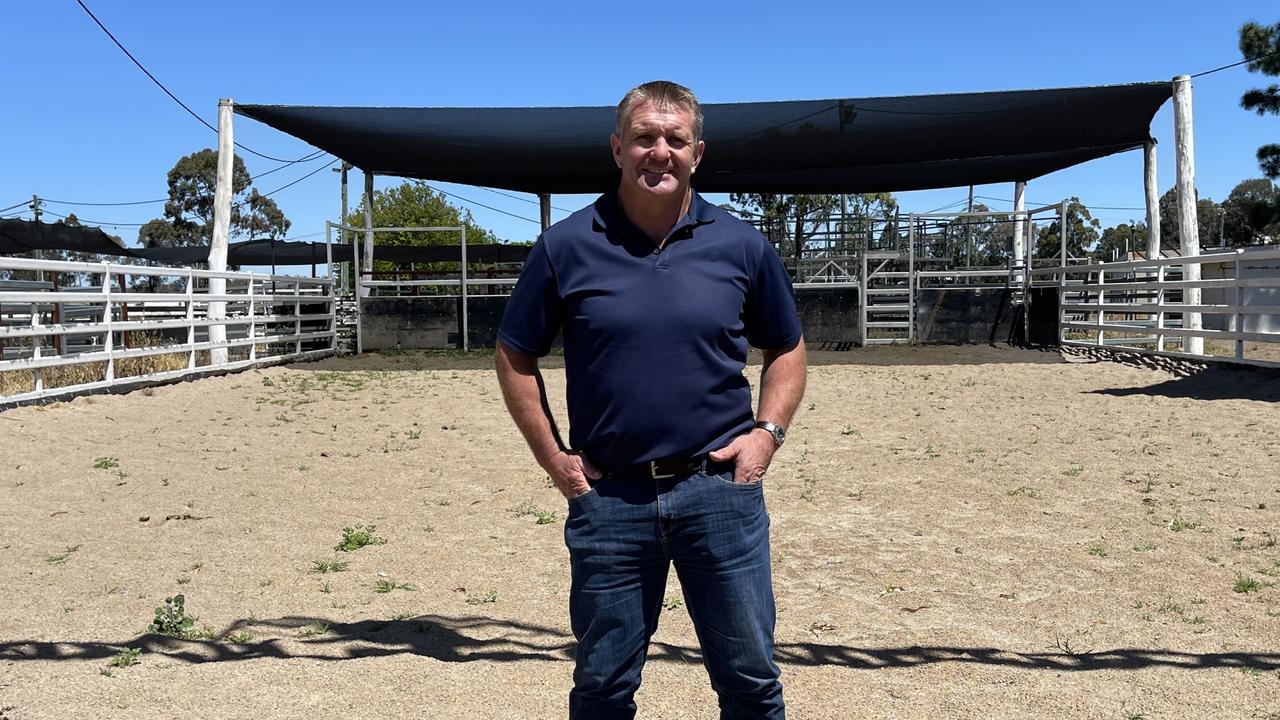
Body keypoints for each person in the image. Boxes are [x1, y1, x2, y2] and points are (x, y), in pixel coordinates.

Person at [495, 80, 807, 720]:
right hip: (610, 499)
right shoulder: (566, 246)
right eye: (643, 138)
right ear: (617, 148)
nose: (658, 151)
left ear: (698, 152)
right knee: (603, 685)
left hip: (718, 490)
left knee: (750, 678)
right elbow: (514, 353)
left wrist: (767, 434)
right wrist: (556, 459)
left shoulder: (743, 246)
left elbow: (788, 347)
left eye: (674, 139)